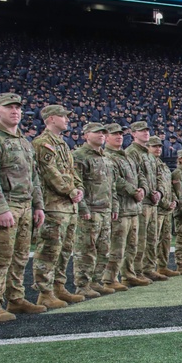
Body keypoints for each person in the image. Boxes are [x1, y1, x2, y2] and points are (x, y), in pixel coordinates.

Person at [0, 92, 46, 322]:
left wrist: (38, 205)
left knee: (20, 255)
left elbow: (34, 176)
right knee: (0, 255)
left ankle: (15, 298)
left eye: (17, 107)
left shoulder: (24, 141)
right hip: (6, 206)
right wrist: (1, 208)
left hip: (25, 206)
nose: (15, 111)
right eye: (9, 108)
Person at [32, 104, 85, 309]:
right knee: (49, 250)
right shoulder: (43, 143)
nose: (67, 120)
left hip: (69, 206)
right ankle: (45, 292)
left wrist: (79, 187)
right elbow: (49, 172)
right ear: (51, 118)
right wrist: (71, 190)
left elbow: (72, 171)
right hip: (54, 205)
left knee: (65, 250)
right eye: (64, 116)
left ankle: (59, 287)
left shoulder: (62, 144)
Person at [71, 122, 115, 297]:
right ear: (86, 135)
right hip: (90, 210)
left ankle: (96, 281)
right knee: (86, 250)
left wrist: (114, 206)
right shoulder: (79, 156)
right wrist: (82, 208)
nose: (101, 136)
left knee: (104, 249)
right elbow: (77, 183)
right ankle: (82, 285)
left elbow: (112, 185)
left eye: (103, 133)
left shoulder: (105, 158)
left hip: (105, 209)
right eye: (97, 133)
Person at [103, 123, 148, 287]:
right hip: (121, 207)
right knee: (117, 246)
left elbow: (140, 174)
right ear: (106, 137)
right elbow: (115, 179)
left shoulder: (127, 156)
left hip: (133, 208)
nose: (119, 136)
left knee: (132, 246)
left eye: (121, 134)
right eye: (114, 134)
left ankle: (128, 274)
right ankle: (110, 278)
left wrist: (142, 188)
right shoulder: (107, 156)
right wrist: (133, 190)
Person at [126, 121, 165, 282]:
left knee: (152, 238)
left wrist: (160, 192)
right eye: (141, 131)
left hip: (153, 202)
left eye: (147, 130)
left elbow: (158, 176)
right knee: (139, 239)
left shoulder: (149, 154)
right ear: (133, 134)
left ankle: (148, 268)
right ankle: (136, 271)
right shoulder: (131, 152)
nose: (145, 133)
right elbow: (134, 176)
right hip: (141, 202)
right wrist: (149, 192)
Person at [150, 136, 180, 276]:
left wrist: (173, 200)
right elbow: (152, 188)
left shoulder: (162, 164)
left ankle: (162, 266)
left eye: (160, 147)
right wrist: (166, 203)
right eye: (154, 146)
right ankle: (149, 269)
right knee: (152, 240)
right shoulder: (149, 164)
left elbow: (168, 187)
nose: (158, 149)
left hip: (167, 209)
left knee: (165, 240)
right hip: (156, 208)